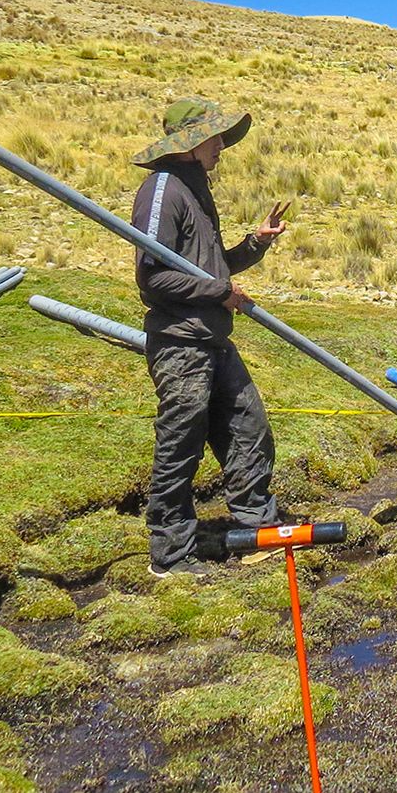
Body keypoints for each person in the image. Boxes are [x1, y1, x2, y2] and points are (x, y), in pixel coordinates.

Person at [130, 100, 289, 579]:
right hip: (181, 343)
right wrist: (221, 292)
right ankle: (170, 553)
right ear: (191, 143)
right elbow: (152, 277)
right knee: (181, 443)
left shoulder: (195, 189)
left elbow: (211, 265)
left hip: (213, 338)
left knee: (248, 428)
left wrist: (256, 243)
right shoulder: (162, 190)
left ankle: (257, 527)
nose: (222, 145)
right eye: (215, 137)